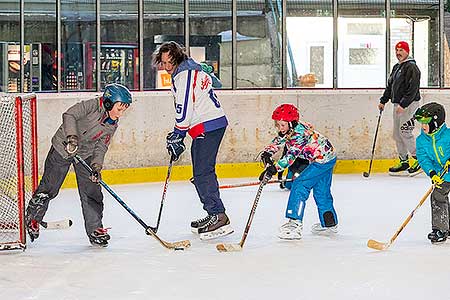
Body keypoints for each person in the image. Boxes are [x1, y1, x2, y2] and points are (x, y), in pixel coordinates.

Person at [25, 83, 132, 247]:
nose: (121, 113)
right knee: (50, 186)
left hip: (85, 154)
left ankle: (95, 229)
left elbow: (101, 146)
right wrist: (72, 138)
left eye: (124, 110)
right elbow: (69, 115)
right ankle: (33, 217)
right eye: (120, 108)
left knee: (92, 190)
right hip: (64, 146)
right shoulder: (92, 106)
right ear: (109, 103)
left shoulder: (112, 124)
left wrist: (96, 166)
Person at [152, 41, 233, 240]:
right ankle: (213, 212)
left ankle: (218, 215)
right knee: (201, 172)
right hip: (208, 125)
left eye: (169, 62)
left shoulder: (184, 75)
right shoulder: (191, 70)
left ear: (177, 58)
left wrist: (177, 135)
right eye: (163, 62)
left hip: (208, 126)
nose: (166, 67)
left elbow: (185, 107)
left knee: (203, 173)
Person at [260, 103, 338, 240]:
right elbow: (280, 139)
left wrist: (273, 169)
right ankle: (329, 223)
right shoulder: (292, 128)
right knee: (321, 191)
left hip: (321, 160)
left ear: (291, 123)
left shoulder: (300, 135)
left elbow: (290, 157)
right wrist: (267, 152)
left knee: (300, 185)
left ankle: (294, 223)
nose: (279, 128)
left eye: (282, 125)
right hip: (328, 157)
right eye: (277, 125)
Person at [378, 41, 421, 176]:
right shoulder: (397, 67)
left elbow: (413, 89)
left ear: (407, 51)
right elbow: (390, 86)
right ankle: (404, 161)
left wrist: (404, 104)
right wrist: (383, 100)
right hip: (398, 105)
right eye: (397, 50)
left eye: (401, 50)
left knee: (405, 132)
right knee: (397, 134)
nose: (398, 53)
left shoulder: (412, 67)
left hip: (409, 105)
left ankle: (419, 160)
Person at [414, 102, 450, 244]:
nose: (422, 126)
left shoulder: (448, 135)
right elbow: (423, 158)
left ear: (436, 122)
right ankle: (441, 229)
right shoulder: (421, 140)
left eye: (426, 123)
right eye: (421, 123)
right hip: (442, 175)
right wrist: (432, 173)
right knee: (438, 196)